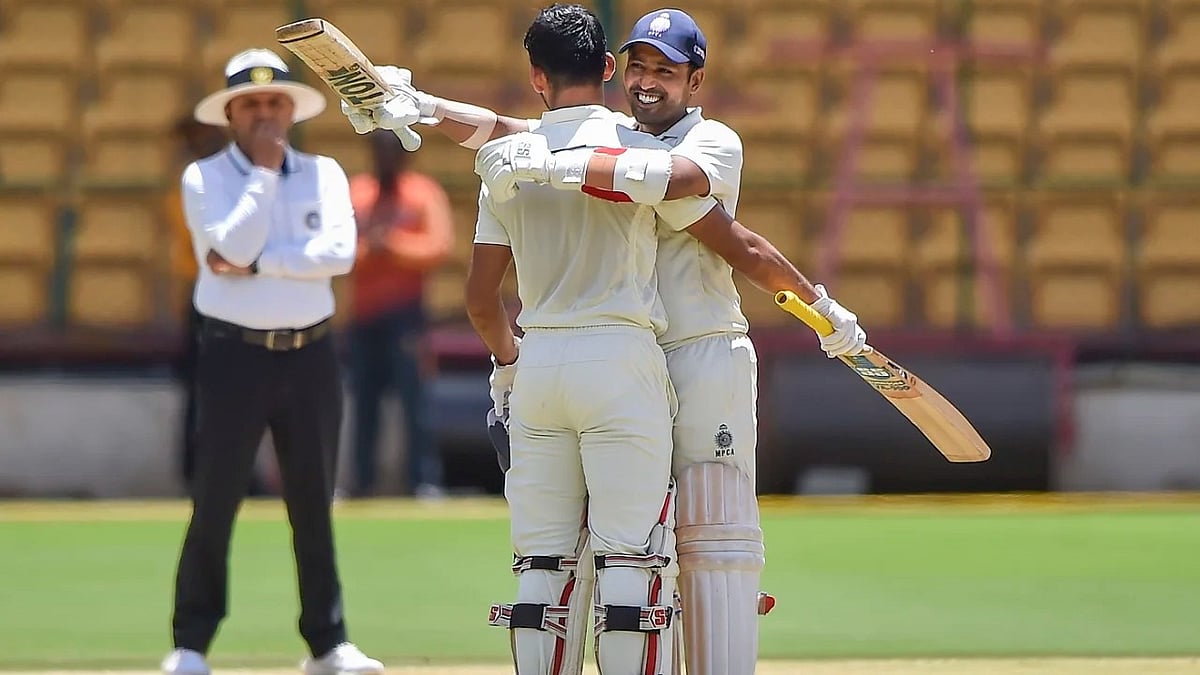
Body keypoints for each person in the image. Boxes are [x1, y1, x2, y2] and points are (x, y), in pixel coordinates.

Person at [346, 7, 868, 675]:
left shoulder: (703, 144)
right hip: (628, 360)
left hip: (696, 353)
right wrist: (420, 107)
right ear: (609, 70)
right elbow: (520, 134)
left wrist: (819, 307)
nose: (648, 82)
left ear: (697, 80)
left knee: (705, 548)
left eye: (666, 71)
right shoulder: (607, 139)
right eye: (638, 67)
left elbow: (709, 217)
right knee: (612, 557)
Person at [465, 5, 724, 672]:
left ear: (535, 77)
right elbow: (709, 203)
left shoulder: (506, 162)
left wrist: (506, 367)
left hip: (541, 360)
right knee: (630, 565)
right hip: (620, 357)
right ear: (609, 69)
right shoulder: (641, 147)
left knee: (541, 567)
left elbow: (479, 297)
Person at [161, 48, 382, 675]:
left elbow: (338, 255)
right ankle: (191, 643)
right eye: (251, 104)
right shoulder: (204, 178)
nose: (264, 115)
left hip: (309, 352)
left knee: (313, 499)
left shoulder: (326, 172)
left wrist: (261, 264)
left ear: (291, 109)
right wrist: (261, 178)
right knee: (216, 498)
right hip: (234, 353)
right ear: (231, 113)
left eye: (274, 102)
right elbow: (226, 247)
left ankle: (327, 642)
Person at [346, 129, 453, 499]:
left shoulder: (423, 193)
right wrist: (368, 251)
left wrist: (390, 246)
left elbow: (438, 246)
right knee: (363, 402)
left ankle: (423, 480)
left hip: (407, 315)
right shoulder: (356, 194)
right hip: (364, 315)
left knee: (415, 400)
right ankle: (361, 482)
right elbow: (338, 252)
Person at [164, 115, 227, 491]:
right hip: (204, 291)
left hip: (224, 291)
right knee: (202, 387)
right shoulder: (191, 185)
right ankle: (197, 468)